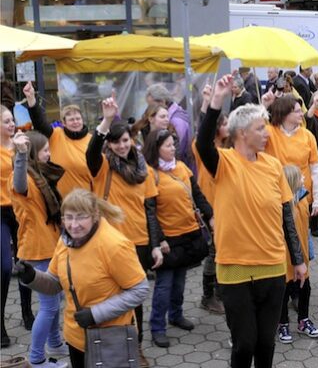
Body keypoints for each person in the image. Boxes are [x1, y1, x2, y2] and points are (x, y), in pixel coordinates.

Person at [195, 75, 306, 368]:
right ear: (242, 133)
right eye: (261, 128)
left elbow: (286, 215)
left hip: (272, 265)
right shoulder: (224, 162)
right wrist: (216, 101)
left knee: (266, 343)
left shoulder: (272, 165)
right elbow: (203, 141)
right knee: (245, 343)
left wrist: (298, 259)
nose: (267, 133)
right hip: (235, 269)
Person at [14, 189, 149, 368]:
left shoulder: (114, 245)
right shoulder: (65, 242)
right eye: (69, 217)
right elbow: (55, 284)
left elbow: (140, 290)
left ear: (94, 216)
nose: (74, 225)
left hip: (109, 337)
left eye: (81, 217)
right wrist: (31, 277)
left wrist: (96, 314)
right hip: (75, 336)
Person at [86, 96, 163, 364]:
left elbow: (151, 210)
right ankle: (107, 350)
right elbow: (91, 152)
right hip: (106, 242)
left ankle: (135, 348)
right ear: (110, 143)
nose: (121, 145)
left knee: (135, 299)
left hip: (138, 243)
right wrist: (107, 120)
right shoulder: (103, 165)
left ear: (132, 140)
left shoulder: (144, 171)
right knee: (108, 296)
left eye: (125, 140)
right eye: (116, 141)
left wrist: (155, 244)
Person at [143, 129, 212, 347]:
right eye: (168, 145)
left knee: (180, 281)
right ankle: (157, 327)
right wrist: (159, 240)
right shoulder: (151, 174)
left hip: (188, 235)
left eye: (173, 144)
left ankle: (176, 314)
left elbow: (197, 195)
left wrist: (210, 216)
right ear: (156, 149)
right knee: (164, 285)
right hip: (168, 239)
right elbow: (150, 212)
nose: (173, 148)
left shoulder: (181, 168)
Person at [10, 130, 67, 368]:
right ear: (33, 152)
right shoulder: (23, 177)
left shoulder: (43, 176)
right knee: (49, 306)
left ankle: (54, 343)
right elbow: (19, 182)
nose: (49, 153)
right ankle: (36, 359)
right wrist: (21, 155)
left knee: (56, 300)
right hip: (37, 250)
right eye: (44, 150)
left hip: (51, 247)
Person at [262, 94, 318, 238]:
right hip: (275, 194)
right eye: (296, 111)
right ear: (284, 113)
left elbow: (316, 169)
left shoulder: (307, 136)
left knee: (300, 239)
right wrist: (264, 106)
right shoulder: (269, 132)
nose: (301, 114)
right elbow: (253, 128)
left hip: (301, 196)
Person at [1, 106, 34, 348]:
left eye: (12, 120)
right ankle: (0, 324)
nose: (11, 124)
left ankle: (26, 313)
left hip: (21, 209)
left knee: (25, 261)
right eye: (6, 121)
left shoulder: (21, 143)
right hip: (1, 211)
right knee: (4, 267)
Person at [278, 165, 318, 344]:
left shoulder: (304, 198)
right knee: (284, 291)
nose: (304, 178)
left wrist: (309, 250)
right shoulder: (282, 204)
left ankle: (303, 320)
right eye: (300, 177)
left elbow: (306, 230)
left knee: (306, 288)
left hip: (302, 256)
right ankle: (282, 323)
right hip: (285, 259)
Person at [23, 81, 91, 196]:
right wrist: (31, 99)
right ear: (63, 123)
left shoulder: (91, 140)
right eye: (71, 119)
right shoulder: (56, 135)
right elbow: (40, 123)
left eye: (78, 119)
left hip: (86, 200)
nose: (75, 122)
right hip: (60, 199)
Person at [193, 86, 227, 314]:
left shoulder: (227, 148)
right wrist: (207, 102)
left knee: (221, 250)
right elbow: (202, 131)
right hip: (210, 207)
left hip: (224, 205)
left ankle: (219, 291)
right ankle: (208, 296)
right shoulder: (204, 148)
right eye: (224, 124)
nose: (228, 127)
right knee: (214, 251)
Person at [145, 83, 193, 171]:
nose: (148, 108)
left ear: (162, 101)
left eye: (151, 105)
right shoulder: (176, 114)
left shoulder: (176, 122)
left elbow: (178, 153)